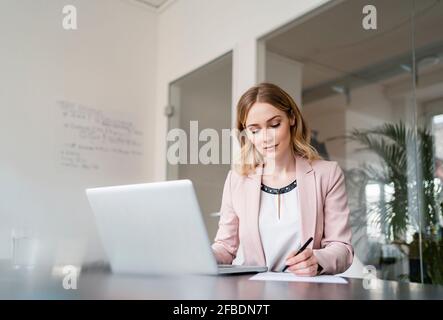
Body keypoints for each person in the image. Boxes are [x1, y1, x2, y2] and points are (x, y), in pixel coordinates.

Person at [211, 83, 353, 275]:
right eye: (255, 130)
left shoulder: (327, 174)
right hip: (255, 297)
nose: (265, 138)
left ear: (292, 118)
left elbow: (342, 247)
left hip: (306, 293)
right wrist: (203, 255)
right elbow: (225, 248)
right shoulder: (236, 180)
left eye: (274, 125)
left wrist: (317, 260)